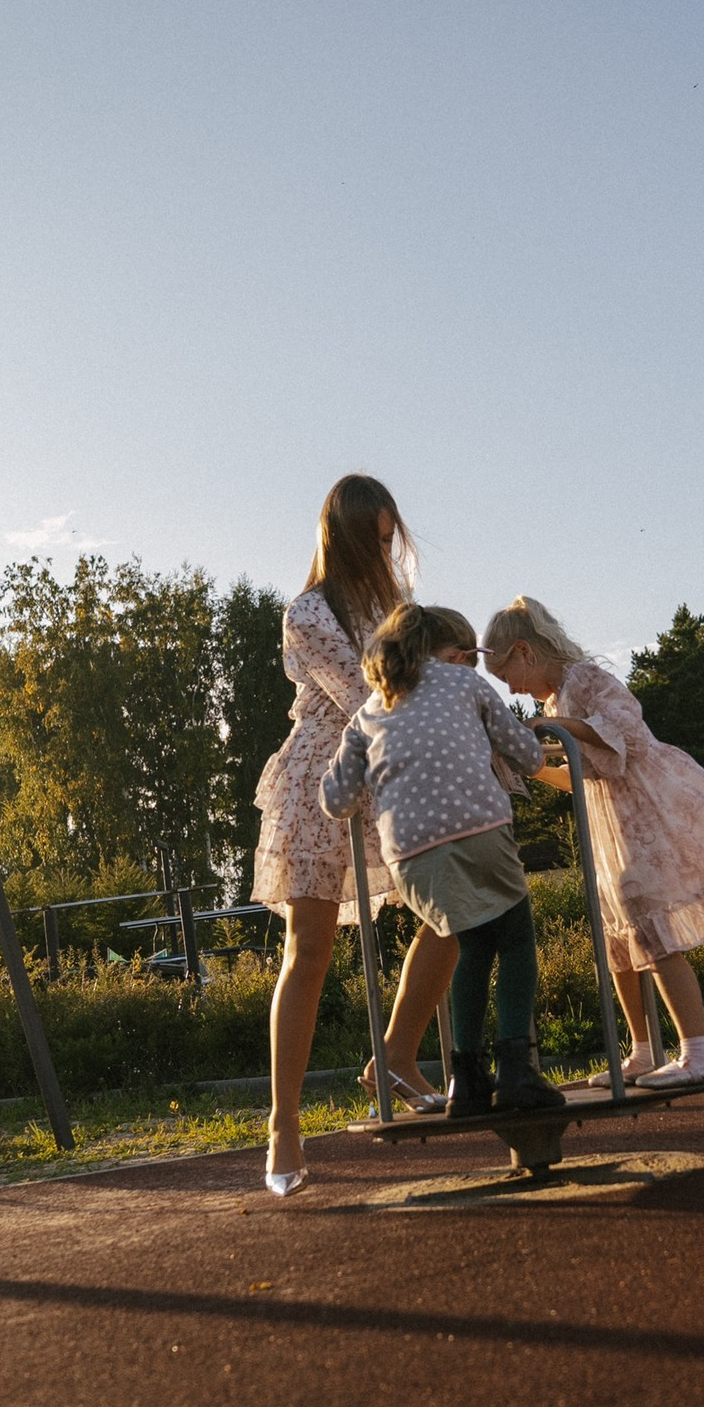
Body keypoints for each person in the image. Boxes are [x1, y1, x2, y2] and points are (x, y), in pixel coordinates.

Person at [482, 597, 704, 1090]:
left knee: (653, 927)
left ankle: (699, 1050)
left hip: (645, 807)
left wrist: (554, 729)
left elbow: (626, 732)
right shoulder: (556, 703)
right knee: (620, 935)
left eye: (507, 675)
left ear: (525, 651)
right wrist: (535, 763)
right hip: (611, 821)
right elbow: (582, 777)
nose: (512, 688)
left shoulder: (586, 679)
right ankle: (644, 1050)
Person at [249, 474, 454, 1196]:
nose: (386, 553)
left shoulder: (394, 607)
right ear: (346, 538)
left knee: (454, 908)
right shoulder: (308, 611)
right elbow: (366, 691)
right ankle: (284, 1125)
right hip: (323, 774)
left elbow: (423, 682)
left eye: (391, 540)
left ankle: (395, 1055)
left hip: (388, 763)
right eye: (376, 539)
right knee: (309, 948)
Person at [323, 603, 560, 1119]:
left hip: (410, 852)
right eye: (470, 656)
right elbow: (527, 755)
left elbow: (336, 800)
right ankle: (517, 1068)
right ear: (454, 655)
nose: (471, 665)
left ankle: (467, 1078)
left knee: (471, 944)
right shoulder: (465, 684)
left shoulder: (368, 713)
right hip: (478, 828)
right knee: (515, 939)